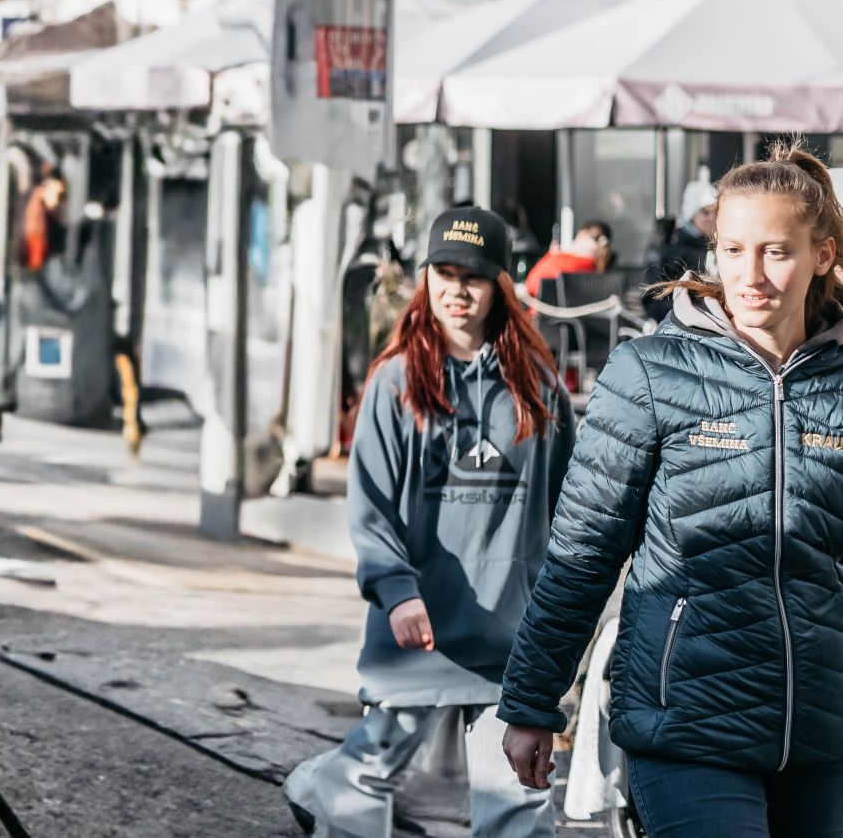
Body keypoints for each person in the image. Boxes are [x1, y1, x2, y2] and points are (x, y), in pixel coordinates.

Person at [500, 148, 843, 834]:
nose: (750, 275)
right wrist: (533, 700)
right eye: (733, 250)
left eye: (776, 252)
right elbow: (583, 552)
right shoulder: (650, 373)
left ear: (823, 255)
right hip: (685, 723)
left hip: (825, 732)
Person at [285, 206, 573, 838]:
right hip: (418, 631)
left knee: (518, 801)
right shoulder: (395, 384)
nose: (457, 290)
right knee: (367, 779)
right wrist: (397, 591)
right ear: (425, 278)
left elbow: (566, 513)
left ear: (499, 283)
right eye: (444, 273)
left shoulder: (538, 388)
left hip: (510, 644)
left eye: (473, 276)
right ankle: (315, 787)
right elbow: (370, 508)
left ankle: (320, 786)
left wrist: (557, 620)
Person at [642, 177, 719, 323]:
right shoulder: (673, 251)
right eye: (705, 212)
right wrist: (690, 313)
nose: (711, 218)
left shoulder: (721, 246)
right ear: (691, 214)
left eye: (714, 212)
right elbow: (655, 301)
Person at [520, 220, 613, 292]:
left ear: (583, 234)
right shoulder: (600, 268)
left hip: (544, 311)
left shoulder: (559, 261)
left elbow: (531, 285)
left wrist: (554, 255)